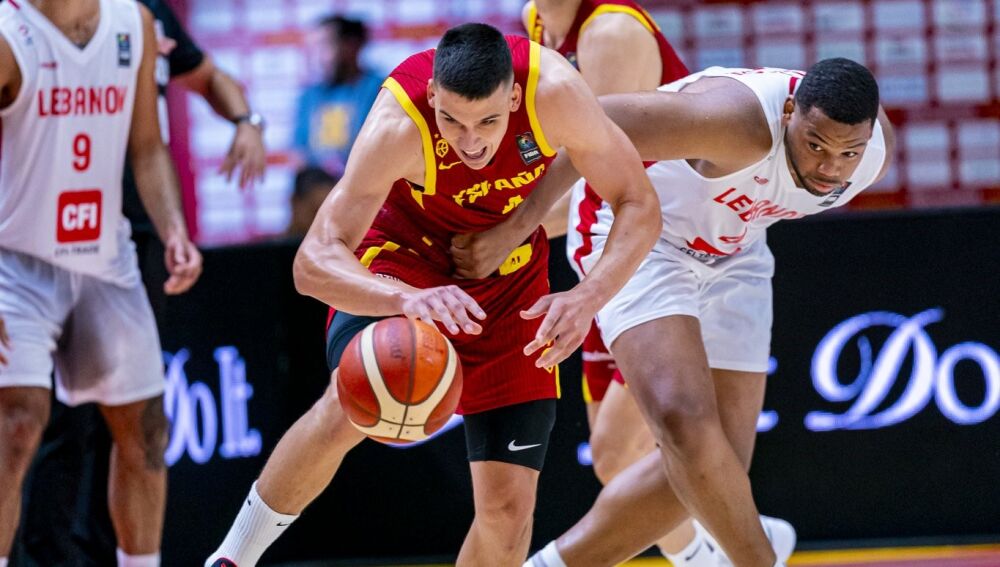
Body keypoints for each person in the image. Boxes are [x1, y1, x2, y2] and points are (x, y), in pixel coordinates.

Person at [205, 22, 661, 567]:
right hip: (403, 259)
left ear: (513, 99)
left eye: (488, 122)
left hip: (509, 280)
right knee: (353, 400)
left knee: (509, 511)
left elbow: (639, 202)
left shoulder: (556, 92)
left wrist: (587, 297)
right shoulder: (397, 123)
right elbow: (312, 262)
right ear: (432, 97)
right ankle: (231, 558)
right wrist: (401, 298)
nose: (470, 142)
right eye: (452, 121)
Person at [456, 59, 895, 567]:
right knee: (682, 422)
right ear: (789, 111)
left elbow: (828, 161)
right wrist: (517, 228)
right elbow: (592, 122)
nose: (830, 168)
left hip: (736, 248)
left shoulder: (874, 155)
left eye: (847, 152)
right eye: (815, 145)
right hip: (640, 231)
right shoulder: (735, 122)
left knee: (718, 467)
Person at [525, 2, 798, 564]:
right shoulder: (537, 21)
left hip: (659, 245)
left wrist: (496, 229)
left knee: (644, 440)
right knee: (615, 459)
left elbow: (600, 175)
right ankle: (723, 547)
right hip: (603, 245)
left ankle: (729, 550)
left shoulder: (611, 31)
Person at [11, 0, 267, 564]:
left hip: (121, 241)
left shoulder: (142, 18)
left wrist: (247, 123)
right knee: (32, 421)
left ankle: (118, 557)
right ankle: (43, 554)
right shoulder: (17, 29)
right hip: (26, 245)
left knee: (139, 426)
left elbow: (173, 119)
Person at [293, 14, 383, 175]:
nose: (318, 57)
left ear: (351, 46)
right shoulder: (309, 95)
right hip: (319, 186)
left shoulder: (379, 89)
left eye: (325, 46)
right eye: (313, 48)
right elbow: (299, 154)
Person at [286, 166, 338, 238]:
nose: (325, 224)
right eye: (315, 212)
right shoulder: (273, 244)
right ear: (295, 202)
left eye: (329, 215)